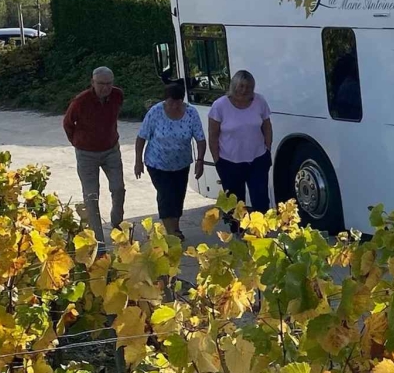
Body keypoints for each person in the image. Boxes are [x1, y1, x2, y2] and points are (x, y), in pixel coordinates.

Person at [133, 79, 206, 235]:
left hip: (181, 163)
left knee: (178, 196)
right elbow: (141, 138)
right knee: (166, 195)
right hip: (157, 163)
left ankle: (176, 226)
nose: (174, 106)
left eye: (178, 103)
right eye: (171, 102)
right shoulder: (155, 112)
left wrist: (200, 160)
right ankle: (172, 232)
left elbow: (200, 139)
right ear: (165, 100)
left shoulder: (191, 112)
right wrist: (138, 161)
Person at [63, 66, 125, 245]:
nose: (106, 88)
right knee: (91, 196)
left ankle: (117, 223)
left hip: (111, 149)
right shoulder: (80, 101)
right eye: (101, 84)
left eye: (109, 84)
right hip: (87, 154)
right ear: (93, 83)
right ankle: (99, 240)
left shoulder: (117, 95)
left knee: (118, 188)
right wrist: (78, 143)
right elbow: (68, 123)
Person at [208, 70, 273, 214]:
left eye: (248, 87)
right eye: (241, 86)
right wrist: (217, 160)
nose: (244, 90)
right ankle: (237, 233)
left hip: (258, 159)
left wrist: (268, 149)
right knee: (235, 204)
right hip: (229, 162)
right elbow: (213, 136)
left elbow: (267, 126)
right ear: (233, 86)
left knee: (261, 200)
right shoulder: (220, 106)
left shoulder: (260, 101)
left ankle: (260, 232)